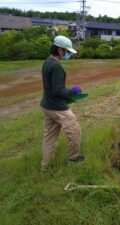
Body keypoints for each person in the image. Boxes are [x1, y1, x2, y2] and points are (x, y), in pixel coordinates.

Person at [40, 35, 84, 171]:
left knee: (50, 137)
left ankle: (45, 167)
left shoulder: (47, 62)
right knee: (75, 130)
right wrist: (73, 92)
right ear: (60, 50)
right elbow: (58, 90)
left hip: (46, 105)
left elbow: (52, 88)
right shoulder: (57, 67)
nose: (68, 54)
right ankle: (73, 158)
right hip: (57, 107)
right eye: (67, 51)